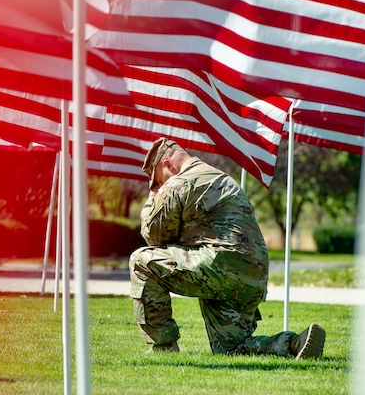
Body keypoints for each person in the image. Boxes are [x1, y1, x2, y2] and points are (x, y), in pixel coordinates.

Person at [129, 137, 325, 358]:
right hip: (253, 276)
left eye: (158, 180)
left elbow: (154, 235)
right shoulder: (222, 178)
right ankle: (292, 344)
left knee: (141, 260)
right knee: (230, 349)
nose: (160, 186)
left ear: (168, 164)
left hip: (220, 266)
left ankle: (163, 347)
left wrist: (152, 198)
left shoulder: (180, 182)